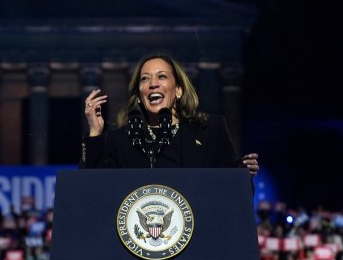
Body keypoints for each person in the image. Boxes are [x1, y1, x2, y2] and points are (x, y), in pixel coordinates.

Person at [80, 52, 259, 175]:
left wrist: (242, 174)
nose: (153, 84)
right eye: (145, 79)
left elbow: (232, 193)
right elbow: (91, 189)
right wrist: (95, 133)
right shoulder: (120, 140)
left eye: (162, 76)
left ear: (179, 90)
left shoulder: (211, 130)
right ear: (140, 95)